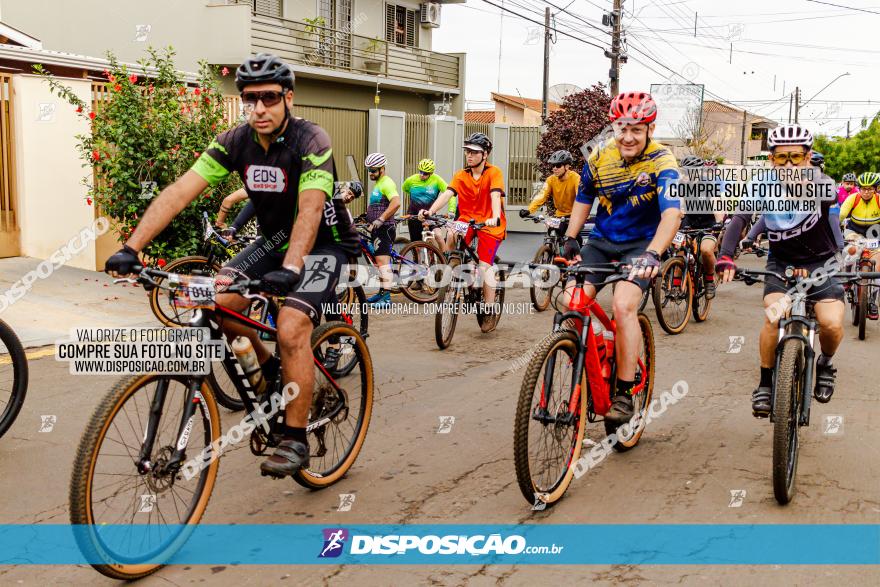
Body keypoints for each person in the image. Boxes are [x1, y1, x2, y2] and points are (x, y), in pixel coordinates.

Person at [104, 53, 360, 478]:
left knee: (292, 325)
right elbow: (180, 191)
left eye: (269, 98)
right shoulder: (234, 141)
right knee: (214, 301)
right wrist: (132, 247)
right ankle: (271, 375)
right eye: (249, 99)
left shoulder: (311, 140)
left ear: (288, 98)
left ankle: (294, 437)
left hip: (325, 247)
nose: (258, 108)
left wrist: (294, 267)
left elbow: (311, 210)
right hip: (273, 244)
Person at [560, 91, 682, 425]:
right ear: (613, 126)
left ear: (650, 129)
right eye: (621, 128)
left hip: (642, 245)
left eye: (636, 130)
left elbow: (672, 215)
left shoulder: (663, 162)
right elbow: (584, 201)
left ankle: (625, 393)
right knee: (571, 304)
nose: (628, 137)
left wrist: (654, 254)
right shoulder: (599, 157)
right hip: (602, 241)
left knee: (623, 304)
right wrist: (571, 238)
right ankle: (593, 356)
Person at [716, 123, 842, 416]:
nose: (788, 164)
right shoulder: (761, 184)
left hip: (820, 263)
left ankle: (825, 363)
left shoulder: (823, 183)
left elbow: (829, 206)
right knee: (773, 316)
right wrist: (726, 255)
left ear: (808, 156)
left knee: (832, 324)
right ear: (771, 158)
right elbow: (741, 218)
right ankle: (765, 383)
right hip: (782, 263)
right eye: (781, 157)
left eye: (795, 157)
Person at [419, 132, 506, 332]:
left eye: (474, 152)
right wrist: (430, 211)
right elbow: (448, 193)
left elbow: (495, 196)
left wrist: (494, 216)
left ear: (485, 155)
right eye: (467, 151)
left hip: (489, 223)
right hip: (466, 220)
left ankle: (489, 310)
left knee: (485, 267)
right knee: (450, 233)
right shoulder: (461, 175)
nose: (469, 155)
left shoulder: (494, 173)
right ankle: (455, 267)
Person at [678, 155, 724, 298]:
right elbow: (678, 206)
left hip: (708, 223)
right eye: (683, 172)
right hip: (689, 221)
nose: (685, 175)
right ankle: (675, 284)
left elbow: (717, 206)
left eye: (688, 172)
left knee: (705, 250)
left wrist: (718, 223)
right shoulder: (680, 185)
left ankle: (709, 278)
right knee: (679, 248)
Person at [838, 172, 880, 319]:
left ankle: (873, 302)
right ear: (859, 188)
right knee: (851, 251)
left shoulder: (879, 200)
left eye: (870, 189)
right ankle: (848, 278)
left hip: (875, 233)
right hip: (854, 230)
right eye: (863, 188)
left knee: (878, 267)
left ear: (875, 189)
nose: (866, 192)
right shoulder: (852, 198)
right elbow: (841, 215)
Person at [364, 152, 401, 308]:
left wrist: (380, 219)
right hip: (377, 229)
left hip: (384, 228)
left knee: (382, 262)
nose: (371, 173)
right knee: (379, 262)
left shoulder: (386, 183)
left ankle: (386, 299)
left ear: (382, 169)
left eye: (373, 170)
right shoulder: (378, 184)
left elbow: (396, 202)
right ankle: (381, 293)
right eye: (369, 170)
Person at [520, 150, 580, 231]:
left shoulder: (576, 178)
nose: (554, 168)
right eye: (553, 166)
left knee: (573, 239)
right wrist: (529, 210)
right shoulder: (550, 180)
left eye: (558, 165)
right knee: (551, 233)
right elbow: (541, 196)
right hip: (560, 216)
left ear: (567, 166)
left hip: (575, 216)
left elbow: (580, 196)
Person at [401, 158, 448, 242]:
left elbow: (450, 193)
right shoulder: (411, 180)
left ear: (431, 173)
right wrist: (417, 198)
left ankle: (443, 254)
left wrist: (451, 211)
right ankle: (417, 255)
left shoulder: (437, 180)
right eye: (420, 172)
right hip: (414, 215)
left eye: (425, 173)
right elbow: (405, 189)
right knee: (416, 243)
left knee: (438, 236)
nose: (422, 175)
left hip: (429, 214)